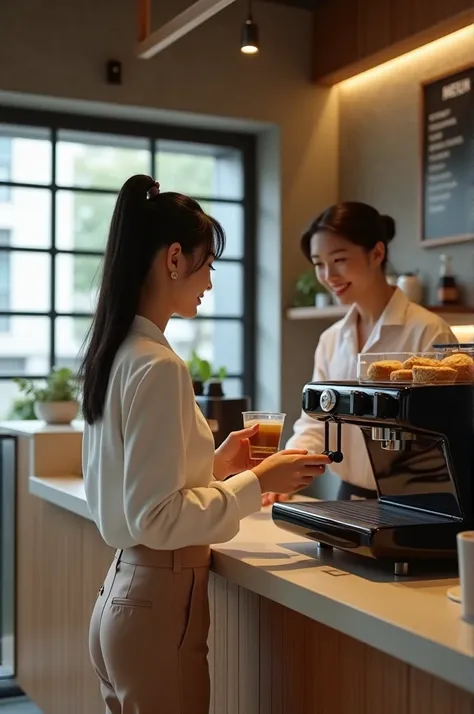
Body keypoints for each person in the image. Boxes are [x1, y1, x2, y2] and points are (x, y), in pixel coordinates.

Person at [81, 175, 330, 714]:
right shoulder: (158, 365)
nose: (209, 284)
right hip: (157, 604)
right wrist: (258, 481)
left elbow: (136, 489)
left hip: (124, 596)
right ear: (175, 259)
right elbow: (157, 517)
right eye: (207, 266)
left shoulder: (118, 352)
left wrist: (215, 466)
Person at [263, 202, 455, 506]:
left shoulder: (427, 332)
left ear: (376, 253)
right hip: (348, 496)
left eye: (339, 259)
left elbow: (443, 434)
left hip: (418, 502)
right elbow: (315, 424)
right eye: (318, 264)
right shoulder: (330, 340)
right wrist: (287, 469)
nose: (328, 275)